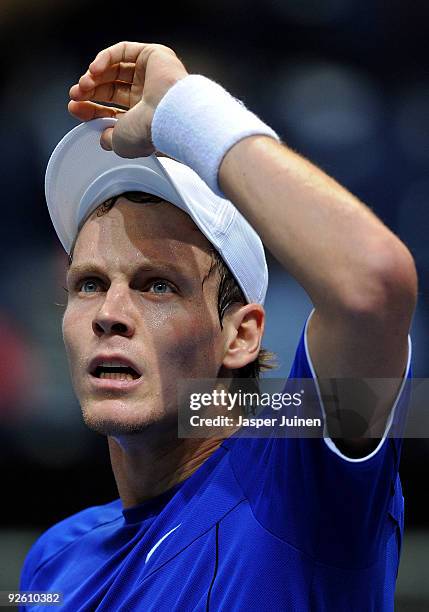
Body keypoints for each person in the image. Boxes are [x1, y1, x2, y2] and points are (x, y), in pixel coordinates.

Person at [20, 42, 417, 611]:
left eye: (158, 285)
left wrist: (184, 109)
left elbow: (372, 285)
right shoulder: (53, 560)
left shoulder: (295, 486)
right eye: (89, 283)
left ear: (241, 336)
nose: (109, 314)